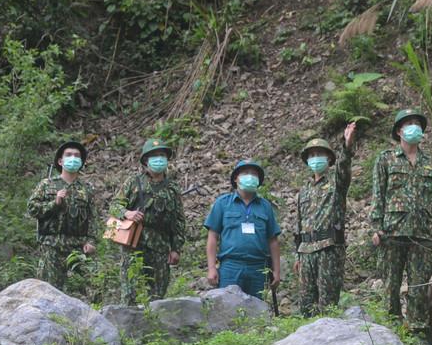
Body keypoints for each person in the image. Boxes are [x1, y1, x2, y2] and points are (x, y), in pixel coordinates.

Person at [370, 108, 432, 338]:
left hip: (422, 233)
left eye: (417, 123)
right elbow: (378, 194)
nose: (414, 127)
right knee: (391, 284)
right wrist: (376, 226)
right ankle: (391, 331)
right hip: (392, 232)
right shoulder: (386, 159)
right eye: (408, 123)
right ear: (398, 131)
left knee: (418, 285)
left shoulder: (431, 162)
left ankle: (417, 331)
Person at [110, 138, 186, 303]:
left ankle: (153, 327)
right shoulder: (133, 182)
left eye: (162, 155)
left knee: (157, 294)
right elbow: (114, 205)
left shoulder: (172, 188)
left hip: (160, 246)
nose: (159, 159)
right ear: (146, 160)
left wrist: (176, 248)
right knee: (130, 292)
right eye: (154, 156)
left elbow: (178, 221)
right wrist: (126, 213)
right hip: (133, 243)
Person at [293, 122, 357, 316]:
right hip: (307, 251)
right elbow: (299, 223)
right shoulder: (304, 191)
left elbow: (344, 167)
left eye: (319, 154)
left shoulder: (336, 183)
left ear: (329, 158)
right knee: (306, 305)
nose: (316, 158)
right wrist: (298, 255)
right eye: (312, 155)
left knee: (327, 304)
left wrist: (347, 146)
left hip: (328, 248)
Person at [204, 160, 282, 300]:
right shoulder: (223, 203)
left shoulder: (265, 206)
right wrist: (211, 268)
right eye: (245, 173)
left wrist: (276, 271)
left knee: (256, 313)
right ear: (236, 178)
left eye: (254, 174)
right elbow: (213, 236)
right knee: (227, 309)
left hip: (258, 268)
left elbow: (273, 241)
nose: (250, 176)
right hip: (230, 267)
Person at [27, 140, 97, 290]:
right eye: (69, 155)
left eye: (77, 156)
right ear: (60, 161)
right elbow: (32, 209)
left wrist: (91, 242)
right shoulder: (47, 184)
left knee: (88, 289)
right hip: (51, 245)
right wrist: (55, 203)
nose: (73, 158)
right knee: (49, 290)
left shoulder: (87, 189)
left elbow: (93, 218)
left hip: (78, 247)